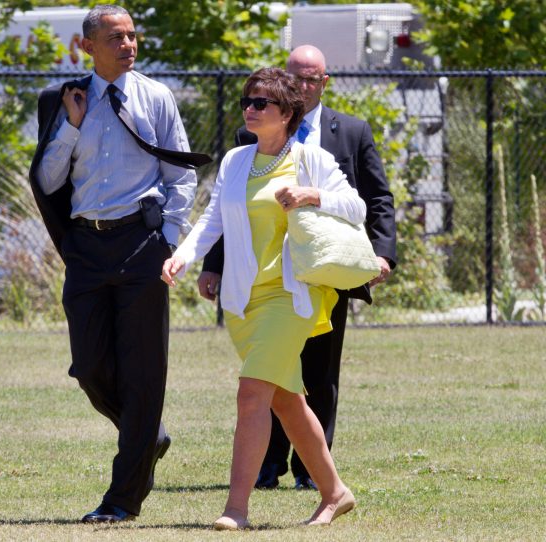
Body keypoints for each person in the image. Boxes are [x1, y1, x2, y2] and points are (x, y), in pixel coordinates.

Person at [162, 67, 358, 529]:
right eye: (248, 101)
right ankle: (335, 492)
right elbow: (213, 219)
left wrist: (312, 195)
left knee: (251, 394)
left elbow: (357, 207)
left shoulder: (311, 160)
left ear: (287, 113)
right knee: (286, 401)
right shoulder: (235, 160)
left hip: (290, 298)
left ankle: (236, 509)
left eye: (261, 103)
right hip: (243, 301)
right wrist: (184, 256)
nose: (250, 109)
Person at [29, 5, 200, 523]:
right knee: (89, 367)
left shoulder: (157, 97)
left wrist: (168, 240)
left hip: (141, 245)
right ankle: (149, 434)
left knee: (145, 373)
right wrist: (73, 127)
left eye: (131, 36)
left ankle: (121, 500)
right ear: (87, 46)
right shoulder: (63, 102)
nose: (128, 45)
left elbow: (182, 175)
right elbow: (49, 180)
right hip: (85, 247)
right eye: (115, 37)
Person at [199, 45, 397, 490]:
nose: (304, 86)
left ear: (324, 83)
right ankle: (273, 468)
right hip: (259, 281)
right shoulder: (245, 143)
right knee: (281, 383)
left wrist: (382, 254)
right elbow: (229, 211)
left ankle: (307, 476)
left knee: (318, 372)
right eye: (297, 78)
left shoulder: (350, 131)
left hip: (321, 272)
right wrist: (210, 264)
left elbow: (374, 199)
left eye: (312, 79)